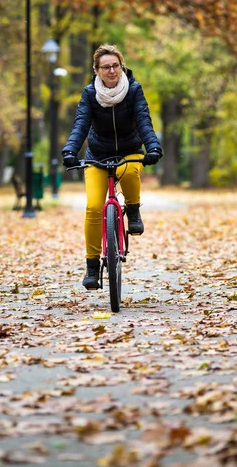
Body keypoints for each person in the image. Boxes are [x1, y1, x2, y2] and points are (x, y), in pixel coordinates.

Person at [62, 44, 162, 290]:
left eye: (115, 65)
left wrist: (153, 147)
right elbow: (81, 124)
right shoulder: (89, 94)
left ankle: (134, 209)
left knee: (130, 170)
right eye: (105, 67)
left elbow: (143, 121)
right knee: (94, 207)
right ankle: (92, 266)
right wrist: (70, 151)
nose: (111, 71)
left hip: (128, 150)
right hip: (98, 154)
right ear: (96, 70)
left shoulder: (134, 90)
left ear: (122, 66)